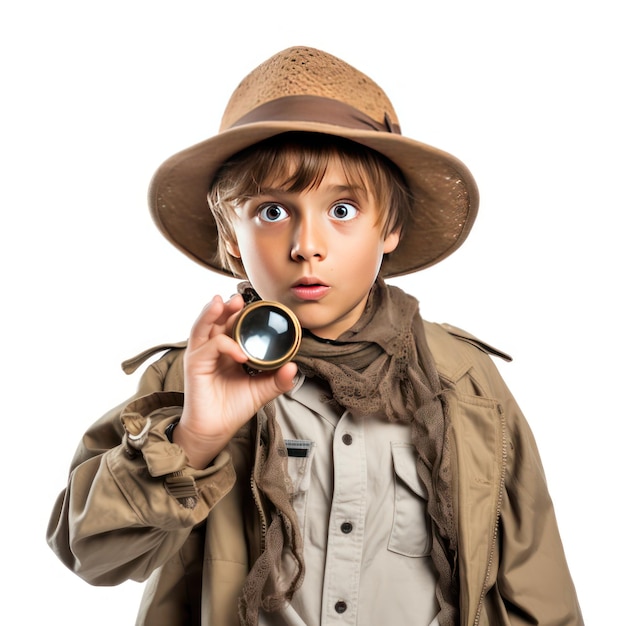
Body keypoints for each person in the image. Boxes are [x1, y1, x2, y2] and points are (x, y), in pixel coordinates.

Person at [46, 46, 584, 626]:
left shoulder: (464, 380)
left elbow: (535, 586)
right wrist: (194, 438)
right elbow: (91, 556)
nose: (308, 244)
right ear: (231, 238)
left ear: (391, 228)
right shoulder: (190, 380)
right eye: (273, 213)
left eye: (344, 209)